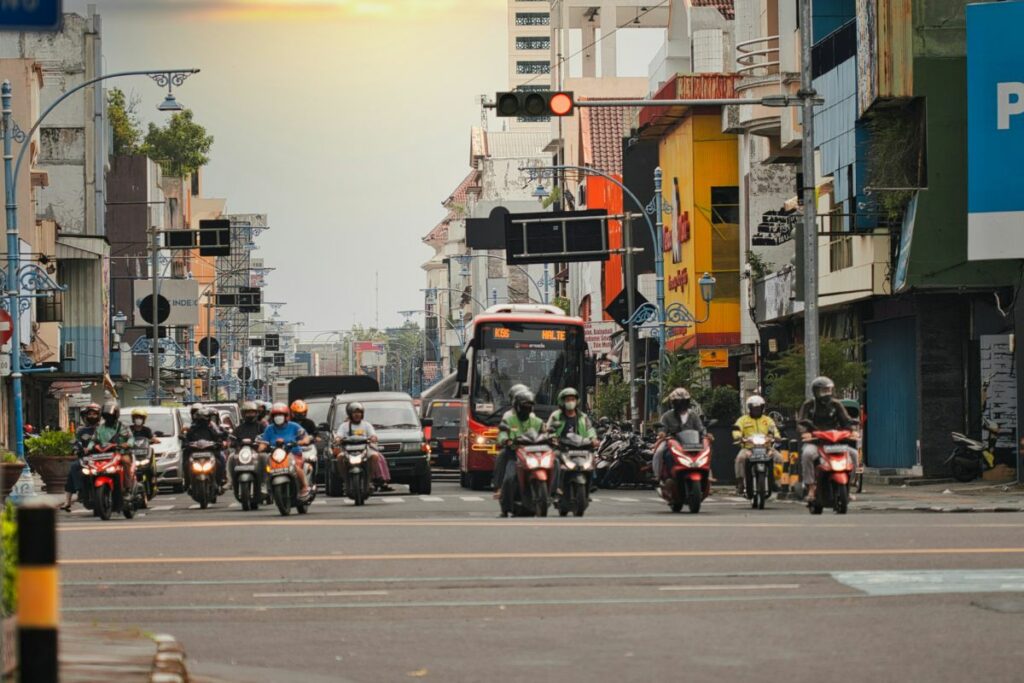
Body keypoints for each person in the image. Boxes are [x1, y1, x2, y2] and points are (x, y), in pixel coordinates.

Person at [798, 376, 858, 501]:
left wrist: (851, 430)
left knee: (853, 454)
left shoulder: (836, 404)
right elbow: (800, 422)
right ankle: (811, 488)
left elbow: (846, 421)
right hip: (816, 441)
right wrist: (805, 432)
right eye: (823, 390)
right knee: (808, 454)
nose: (826, 393)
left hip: (835, 441)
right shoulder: (809, 404)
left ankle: (848, 487)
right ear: (815, 391)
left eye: (828, 390)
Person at [545, 387, 598, 498]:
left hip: (580, 447)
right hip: (562, 447)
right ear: (562, 401)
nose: (570, 402)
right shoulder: (556, 416)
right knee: (555, 461)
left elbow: (590, 429)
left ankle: (591, 483)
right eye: (568, 399)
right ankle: (556, 488)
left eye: (572, 399)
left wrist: (593, 439)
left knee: (591, 458)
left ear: (576, 401)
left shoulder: (583, 417)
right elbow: (548, 429)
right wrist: (553, 437)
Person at [493, 387, 545, 499]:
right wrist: (506, 440)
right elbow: (503, 433)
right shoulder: (508, 418)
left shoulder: (536, 420)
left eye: (529, 407)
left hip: (533, 452)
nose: (526, 409)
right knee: (502, 458)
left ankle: (555, 489)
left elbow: (544, 432)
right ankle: (500, 488)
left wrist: (550, 438)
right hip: (515, 452)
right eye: (523, 406)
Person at [257, 402, 312, 498]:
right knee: (266, 466)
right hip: (275, 455)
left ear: (286, 416)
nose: (278, 417)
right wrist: (262, 447)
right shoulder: (269, 429)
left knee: (296, 467)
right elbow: (263, 442)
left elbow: (305, 437)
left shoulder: (294, 426)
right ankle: (265, 484)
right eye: (276, 415)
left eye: (280, 415)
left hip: (293, 453)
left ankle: (305, 486)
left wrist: (300, 442)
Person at [334, 402, 393, 492]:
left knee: (375, 456)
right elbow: (339, 436)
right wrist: (338, 439)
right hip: (348, 450)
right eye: (354, 413)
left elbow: (373, 435)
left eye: (359, 412)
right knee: (339, 457)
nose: (357, 415)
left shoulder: (366, 425)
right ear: (350, 414)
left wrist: (373, 438)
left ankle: (369, 480)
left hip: (364, 449)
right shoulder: (344, 426)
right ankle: (346, 481)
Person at [652, 388, 707, 483]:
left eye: (684, 402)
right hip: (672, 441)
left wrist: (706, 435)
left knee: (705, 453)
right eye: (678, 402)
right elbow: (662, 430)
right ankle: (657, 476)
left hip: (691, 442)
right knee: (659, 452)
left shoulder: (693, 415)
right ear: (673, 403)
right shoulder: (666, 416)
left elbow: (700, 428)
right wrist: (662, 433)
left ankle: (707, 477)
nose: (681, 405)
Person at [731, 395, 782, 496]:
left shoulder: (768, 420)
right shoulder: (742, 420)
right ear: (749, 408)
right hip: (748, 448)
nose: (756, 410)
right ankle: (740, 483)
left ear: (762, 408)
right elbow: (736, 429)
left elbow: (774, 430)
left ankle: (777, 481)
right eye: (754, 408)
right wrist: (738, 437)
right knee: (740, 459)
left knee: (779, 458)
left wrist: (776, 436)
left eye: (758, 408)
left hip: (766, 448)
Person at [62, 402, 102, 511]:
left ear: (99, 415)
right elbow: (75, 442)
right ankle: (73, 497)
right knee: (74, 467)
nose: (92, 416)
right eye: (90, 414)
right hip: (86, 458)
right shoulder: (81, 430)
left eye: (94, 414)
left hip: (102, 458)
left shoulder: (104, 429)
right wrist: (76, 448)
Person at [182, 405, 228, 490]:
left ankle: (220, 480)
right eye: (200, 417)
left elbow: (218, 436)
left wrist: (220, 441)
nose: (202, 419)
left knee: (220, 459)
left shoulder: (211, 427)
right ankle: (187, 482)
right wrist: (185, 442)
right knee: (186, 461)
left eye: (205, 417)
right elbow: (186, 438)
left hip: (210, 452)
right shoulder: (191, 428)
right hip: (195, 453)